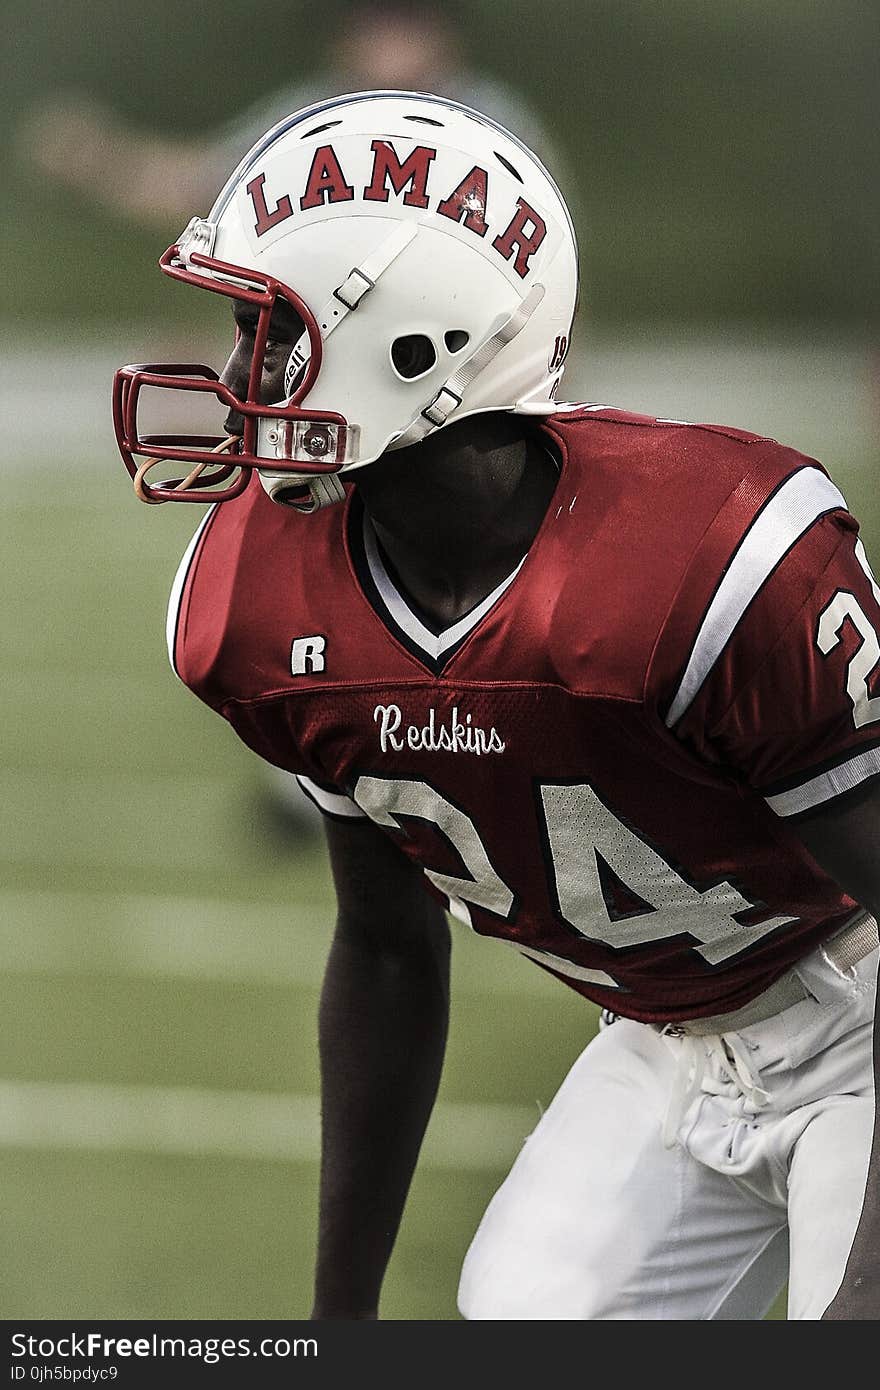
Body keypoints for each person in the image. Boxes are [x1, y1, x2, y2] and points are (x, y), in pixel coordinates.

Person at [112, 90, 880, 1319]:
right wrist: (338, 1318)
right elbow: (383, 945)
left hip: (857, 1015)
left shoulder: (707, 556)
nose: (237, 375)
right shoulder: (256, 603)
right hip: (668, 1045)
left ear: (412, 346)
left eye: (271, 330)